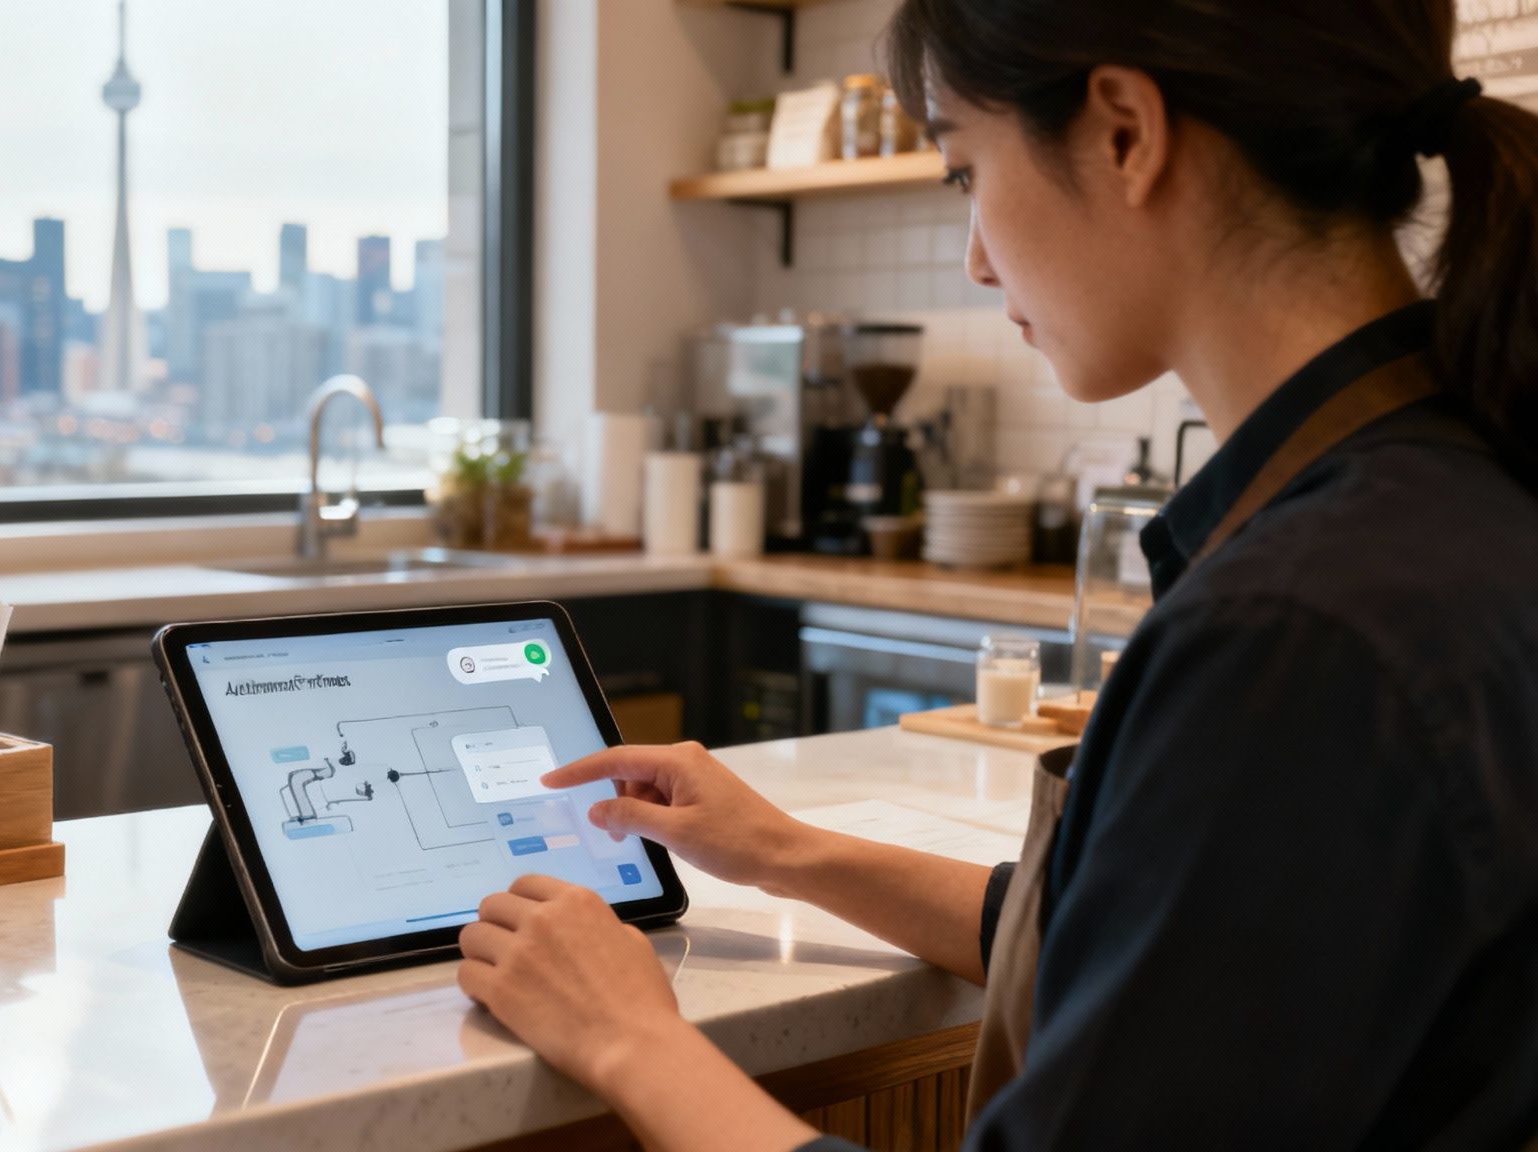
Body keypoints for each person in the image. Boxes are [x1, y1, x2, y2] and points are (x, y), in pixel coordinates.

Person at [454, 1, 1538, 1148]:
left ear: (1123, 131)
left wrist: (629, 1037)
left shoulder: (1299, 631)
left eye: (963, 170)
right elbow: (1163, 946)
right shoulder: (1446, 501)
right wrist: (783, 852)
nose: (974, 258)